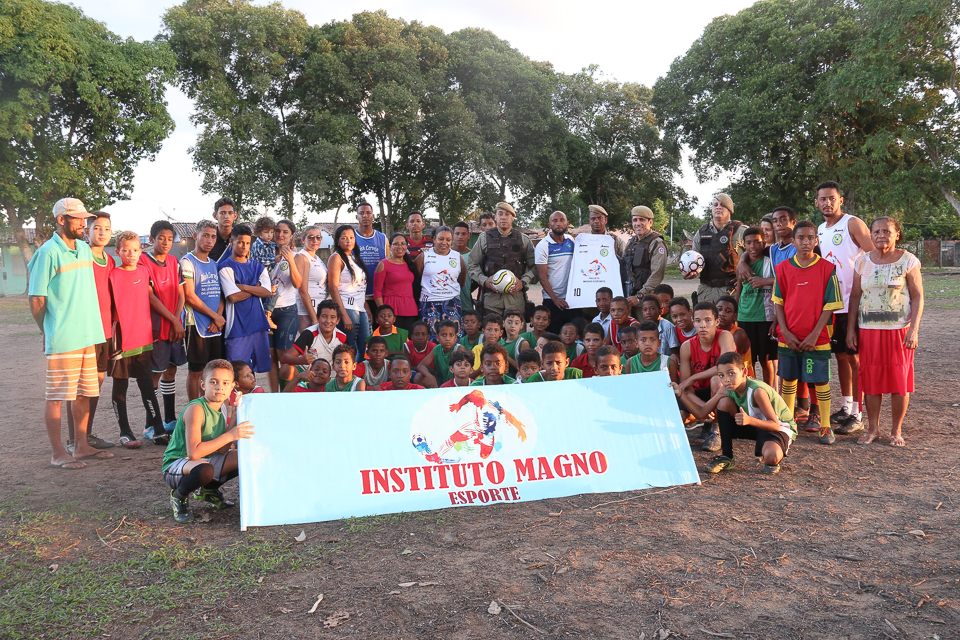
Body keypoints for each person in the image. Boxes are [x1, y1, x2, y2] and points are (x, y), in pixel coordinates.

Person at [28, 197, 111, 469]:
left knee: (85, 393)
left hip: (88, 335)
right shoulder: (48, 252)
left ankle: (81, 445)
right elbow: (37, 298)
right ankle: (57, 453)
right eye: (76, 219)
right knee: (56, 397)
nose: (82, 223)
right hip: (64, 338)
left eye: (83, 218)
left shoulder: (85, 250)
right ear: (61, 220)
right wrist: (47, 330)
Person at [847, 217, 923, 446]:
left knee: (899, 380)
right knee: (871, 380)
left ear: (897, 234)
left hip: (899, 330)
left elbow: (918, 296)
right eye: (876, 231)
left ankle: (896, 431)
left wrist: (914, 330)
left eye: (887, 231)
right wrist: (851, 329)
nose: (881, 235)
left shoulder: (908, 261)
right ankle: (873, 429)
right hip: (868, 330)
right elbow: (855, 297)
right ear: (870, 235)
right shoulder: (862, 262)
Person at [773, 220, 843, 445]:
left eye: (810, 238)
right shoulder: (782, 268)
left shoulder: (827, 268)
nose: (805, 242)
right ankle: (787, 424)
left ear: (817, 240)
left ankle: (825, 426)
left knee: (820, 381)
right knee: (789, 380)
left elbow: (830, 305)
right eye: (800, 238)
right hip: (789, 337)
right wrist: (784, 331)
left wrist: (814, 334)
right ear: (793, 241)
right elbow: (778, 303)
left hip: (817, 338)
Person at [162, 359, 254, 523]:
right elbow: (194, 453)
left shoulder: (224, 406)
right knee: (205, 470)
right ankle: (179, 496)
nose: (220, 387)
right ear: (203, 385)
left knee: (245, 455)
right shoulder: (196, 409)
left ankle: (208, 491)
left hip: (206, 460)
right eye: (214, 382)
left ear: (233, 386)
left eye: (225, 383)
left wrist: (234, 416)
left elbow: (221, 450)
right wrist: (231, 435)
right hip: (178, 463)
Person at [816, 180, 875, 434]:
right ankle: (847, 406)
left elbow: (873, 255)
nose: (827, 203)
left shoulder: (852, 223)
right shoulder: (820, 229)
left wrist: (866, 290)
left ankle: (859, 414)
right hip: (833, 304)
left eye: (832, 198)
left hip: (854, 301)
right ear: (817, 203)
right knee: (840, 356)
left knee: (854, 357)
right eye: (823, 199)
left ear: (841, 200)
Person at [676, 352, 796, 474]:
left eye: (731, 373)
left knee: (772, 457)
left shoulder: (757, 392)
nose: (726, 379)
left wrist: (749, 420)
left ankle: (771, 448)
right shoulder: (725, 389)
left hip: (778, 428)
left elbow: (775, 425)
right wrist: (681, 395)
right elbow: (701, 413)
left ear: (744, 372)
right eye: (721, 375)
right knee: (723, 402)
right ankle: (726, 456)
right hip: (753, 423)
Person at [107, 231, 165, 448]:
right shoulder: (112, 274)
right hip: (121, 337)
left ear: (141, 251)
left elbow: (148, 299)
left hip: (143, 337)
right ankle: (125, 432)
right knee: (120, 384)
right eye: (126, 250)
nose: (130, 254)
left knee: (147, 386)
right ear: (118, 251)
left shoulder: (144, 271)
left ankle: (158, 429)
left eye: (135, 250)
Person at [66, 211, 116, 451]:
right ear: (87, 231)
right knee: (78, 388)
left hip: (104, 331)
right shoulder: (80, 255)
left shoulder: (111, 260)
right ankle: (73, 439)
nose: (102, 233)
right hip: (84, 331)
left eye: (106, 228)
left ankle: (87, 435)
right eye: (97, 228)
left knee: (95, 386)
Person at [140, 220, 187, 438]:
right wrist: (172, 320)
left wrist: (177, 319)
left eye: (170, 239)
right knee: (154, 374)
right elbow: (150, 297)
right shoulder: (143, 262)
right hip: (156, 326)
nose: (166, 242)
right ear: (151, 239)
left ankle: (169, 419)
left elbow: (181, 294)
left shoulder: (173, 261)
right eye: (161, 238)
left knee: (170, 370)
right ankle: (151, 425)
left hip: (173, 325)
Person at [676, 302, 737, 451]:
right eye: (698, 321)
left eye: (708, 320)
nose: (702, 325)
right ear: (693, 322)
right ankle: (704, 421)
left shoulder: (724, 336)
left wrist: (693, 377)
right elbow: (686, 387)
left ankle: (717, 431)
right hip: (699, 393)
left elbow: (724, 368)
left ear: (717, 322)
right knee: (680, 415)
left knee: (717, 379)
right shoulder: (687, 346)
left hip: (724, 390)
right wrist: (703, 406)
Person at [218, 224, 273, 376]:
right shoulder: (225, 267)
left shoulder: (258, 266)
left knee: (251, 374)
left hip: (258, 325)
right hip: (237, 328)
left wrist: (243, 286)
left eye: (247, 243)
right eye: (240, 242)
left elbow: (267, 292)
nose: (244, 246)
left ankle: (249, 400)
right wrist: (256, 287)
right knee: (236, 372)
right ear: (232, 242)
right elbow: (233, 297)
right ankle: (234, 401)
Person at [181, 221, 227, 401]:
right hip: (196, 324)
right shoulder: (187, 262)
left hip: (214, 324)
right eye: (205, 235)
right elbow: (190, 296)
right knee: (196, 371)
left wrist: (219, 318)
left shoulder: (214, 264)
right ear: (195, 236)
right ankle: (193, 408)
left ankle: (210, 408)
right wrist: (215, 316)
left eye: (213, 236)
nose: (209, 240)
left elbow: (221, 293)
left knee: (213, 370)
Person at [468, 202, 536, 316]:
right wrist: (484, 280)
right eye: (500, 214)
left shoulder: (524, 240)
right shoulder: (484, 238)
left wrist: (523, 281)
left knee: (517, 334)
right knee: (492, 334)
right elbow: (472, 264)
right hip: (491, 302)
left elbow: (535, 266)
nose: (503, 217)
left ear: (513, 218)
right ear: (496, 217)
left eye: (507, 214)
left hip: (516, 301)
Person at [734, 226, 776, 385]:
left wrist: (776, 319)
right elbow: (739, 289)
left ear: (764, 242)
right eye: (749, 243)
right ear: (744, 245)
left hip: (765, 318)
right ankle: (750, 394)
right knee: (747, 361)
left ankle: (769, 393)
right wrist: (736, 311)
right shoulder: (741, 266)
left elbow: (783, 281)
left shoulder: (770, 262)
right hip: (745, 318)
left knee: (766, 361)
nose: (753, 246)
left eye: (757, 242)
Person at [264, 219, 302, 393]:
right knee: (270, 357)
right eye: (277, 231)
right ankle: (274, 395)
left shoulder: (297, 256)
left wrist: (290, 260)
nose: (280, 235)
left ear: (292, 235)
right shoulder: (265, 252)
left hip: (286, 310)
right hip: (265, 311)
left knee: (285, 358)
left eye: (285, 232)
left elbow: (298, 283)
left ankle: (286, 394)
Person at [685, 193, 745, 302]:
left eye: (723, 205)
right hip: (706, 292)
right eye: (715, 205)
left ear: (730, 210)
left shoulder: (740, 231)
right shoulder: (702, 232)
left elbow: (756, 258)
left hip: (731, 292)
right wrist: (689, 272)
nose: (718, 207)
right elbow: (693, 259)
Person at [280, 300, 346, 389]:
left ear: (338, 320)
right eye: (324, 316)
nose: (328, 321)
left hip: (325, 375)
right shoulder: (309, 334)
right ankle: (285, 397)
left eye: (332, 317)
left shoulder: (342, 338)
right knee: (286, 369)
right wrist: (301, 361)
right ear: (317, 318)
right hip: (304, 372)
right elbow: (284, 358)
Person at [328, 225, 370, 360]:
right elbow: (333, 288)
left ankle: (359, 378)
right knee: (349, 350)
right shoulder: (336, 258)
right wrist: (344, 314)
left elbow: (360, 288)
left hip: (360, 308)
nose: (349, 241)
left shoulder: (354, 258)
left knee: (365, 349)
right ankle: (346, 379)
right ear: (338, 241)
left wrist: (366, 309)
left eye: (351, 238)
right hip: (347, 307)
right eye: (344, 238)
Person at [417, 226, 466, 338]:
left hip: (451, 303)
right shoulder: (424, 256)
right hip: (429, 303)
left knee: (451, 339)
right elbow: (416, 279)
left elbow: (461, 280)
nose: (444, 243)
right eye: (441, 239)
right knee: (430, 338)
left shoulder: (457, 257)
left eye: (448, 240)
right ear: (434, 239)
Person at [535, 211, 577, 333]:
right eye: (555, 220)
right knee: (554, 338)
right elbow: (542, 276)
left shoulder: (571, 240)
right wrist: (555, 298)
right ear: (549, 225)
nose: (558, 223)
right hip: (552, 301)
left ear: (567, 223)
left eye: (561, 220)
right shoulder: (543, 246)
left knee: (572, 338)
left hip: (571, 299)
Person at [622, 206, 667, 315]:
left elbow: (657, 273)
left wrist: (639, 296)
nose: (638, 223)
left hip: (645, 303)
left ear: (650, 222)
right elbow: (624, 266)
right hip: (628, 299)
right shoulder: (631, 242)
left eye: (642, 220)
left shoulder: (656, 243)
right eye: (635, 220)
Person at [373, 234, 419, 332]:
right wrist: (383, 311)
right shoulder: (383, 264)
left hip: (410, 309)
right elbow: (377, 290)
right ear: (390, 246)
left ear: (406, 246)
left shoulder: (411, 265)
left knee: (408, 341)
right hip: (391, 309)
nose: (400, 247)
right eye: (396, 244)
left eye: (403, 244)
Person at [354, 202, 388, 320]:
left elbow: (388, 265)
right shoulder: (351, 238)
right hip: (358, 296)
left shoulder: (383, 238)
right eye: (361, 213)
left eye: (368, 213)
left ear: (373, 216)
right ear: (357, 217)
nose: (365, 216)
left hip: (379, 296)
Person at [294, 224, 328, 333]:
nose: (315, 240)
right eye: (311, 237)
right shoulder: (301, 257)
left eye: (318, 237)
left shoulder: (317, 258)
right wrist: (314, 318)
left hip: (319, 308)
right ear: (303, 239)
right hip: (306, 311)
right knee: (308, 347)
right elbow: (302, 290)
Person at [715, 295, 755, 378]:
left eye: (728, 311)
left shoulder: (738, 335)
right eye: (719, 310)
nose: (722, 314)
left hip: (740, 379)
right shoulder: (710, 330)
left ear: (735, 317)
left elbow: (729, 364)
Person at [417, 320, 464, 388]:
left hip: (455, 383)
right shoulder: (437, 349)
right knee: (418, 376)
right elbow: (421, 365)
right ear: (437, 337)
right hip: (441, 381)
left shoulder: (459, 349)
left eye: (451, 335)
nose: (447, 338)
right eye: (443, 335)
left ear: (455, 337)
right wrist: (429, 376)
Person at [250, 216, 278, 328]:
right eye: (266, 232)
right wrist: (274, 259)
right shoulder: (257, 245)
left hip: (269, 276)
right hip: (259, 276)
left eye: (271, 232)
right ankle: (267, 313)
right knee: (274, 292)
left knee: (272, 292)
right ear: (259, 233)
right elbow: (259, 261)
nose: (270, 235)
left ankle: (265, 319)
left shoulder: (271, 244)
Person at [452, 221, 476, 313]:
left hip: (465, 305)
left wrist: (467, 289)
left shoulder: (473, 256)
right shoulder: (445, 253)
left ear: (468, 236)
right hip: (447, 304)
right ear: (453, 235)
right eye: (457, 233)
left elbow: (477, 280)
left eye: (463, 234)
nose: (460, 237)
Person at [500, 309, 530, 375]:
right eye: (509, 322)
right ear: (503, 323)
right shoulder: (499, 344)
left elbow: (525, 367)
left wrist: (506, 357)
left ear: (521, 325)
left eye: (516, 323)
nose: (513, 326)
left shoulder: (522, 343)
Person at [210, 197, 238, 262]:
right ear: (215, 215)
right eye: (222, 213)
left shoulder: (239, 238)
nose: (226, 216)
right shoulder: (209, 239)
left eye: (230, 213)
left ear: (235, 216)